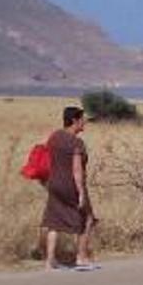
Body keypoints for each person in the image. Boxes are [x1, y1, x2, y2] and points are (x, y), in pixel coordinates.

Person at [42, 106, 97, 270]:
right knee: (87, 218)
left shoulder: (55, 137)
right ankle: (81, 256)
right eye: (82, 119)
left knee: (54, 221)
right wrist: (81, 192)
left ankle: (50, 260)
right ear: (74, 120)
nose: (84, 122)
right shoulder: (76, 143)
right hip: (70, 185)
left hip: (53, 183)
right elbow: (77, 170)